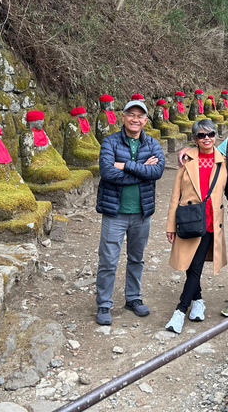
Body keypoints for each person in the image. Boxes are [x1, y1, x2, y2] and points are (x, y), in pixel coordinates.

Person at [95, 97, 165, 325]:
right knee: (108, 260)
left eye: (140, 115)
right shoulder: (110, 142)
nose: (135, 119)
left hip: (142, 212)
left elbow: (157, 172)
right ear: (123, 117)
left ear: (145, 120)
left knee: (137, 258)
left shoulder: (153, 144)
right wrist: (141, 169)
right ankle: (104, 303)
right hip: (115, 211)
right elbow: (107, 172)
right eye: (131, 115)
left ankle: (133, 298)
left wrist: (124, 165)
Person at [164, 119, 228, 333]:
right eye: (201, 135)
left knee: (196, 267)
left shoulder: (223, 160)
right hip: (188, 218)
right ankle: (198, 300)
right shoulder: (187, 160)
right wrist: (170, 225)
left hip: (210, 222)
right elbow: (175, 195)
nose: (206, 138)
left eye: (210, 134)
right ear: (195, 139)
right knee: (189, 265)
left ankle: (180, 310)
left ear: (216, 136)